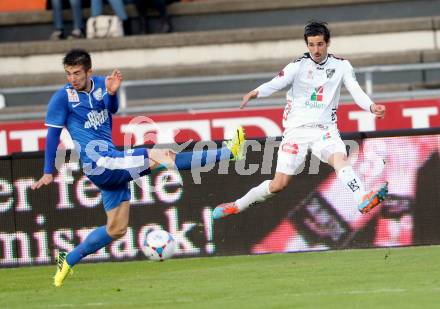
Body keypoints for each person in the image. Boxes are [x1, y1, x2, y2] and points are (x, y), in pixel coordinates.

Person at [31, 48, 245, 287]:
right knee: (165, 156)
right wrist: (48, 171)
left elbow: (110, 109)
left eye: (77, 73)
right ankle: (230, 152)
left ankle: (68, 259)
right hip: (101, 163)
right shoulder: (62, 98)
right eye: (68, 74)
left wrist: (112, 93)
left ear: (89, 71)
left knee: (117, 229)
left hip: (111, 163)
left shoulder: (103, 83)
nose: (72, 79)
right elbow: (52, 135)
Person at [213, 21, 389, 220]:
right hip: (296, 132)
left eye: (320, 44)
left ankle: (362, 197)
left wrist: (371, 106)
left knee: (340, 160)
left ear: (328, 43)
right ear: (307, 45)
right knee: (278, 185)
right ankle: (237, 206)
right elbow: (276, 83)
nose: (316, 50)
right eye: (311, 45)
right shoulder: (298, 66)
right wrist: (256, 92)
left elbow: (356, 90)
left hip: (325, 130)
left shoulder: (341, 66)